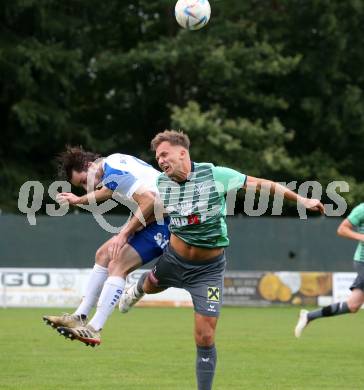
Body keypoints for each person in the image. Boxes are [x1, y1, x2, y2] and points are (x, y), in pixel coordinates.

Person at [119, 130, 325, 390]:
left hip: (208, 271)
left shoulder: (215, 175)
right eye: (157, 156)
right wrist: (126, 232)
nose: (160, 160)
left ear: (182, 152)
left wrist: (302, 200)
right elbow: (150, 210)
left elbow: (263, 185)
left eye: (164, 154)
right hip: (173, 259)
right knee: (150, 284)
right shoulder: (161, 183)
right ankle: (136, 289)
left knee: (205, 336)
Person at [43, 146, 170, 346]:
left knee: (117, 265)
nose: (86, 187)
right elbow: (107, 192)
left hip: (166, 222)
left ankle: (94, 329)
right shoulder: (112, 163)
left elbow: (150, 200)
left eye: (84, 181)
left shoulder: (114, 171)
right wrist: (79, 200)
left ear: (89, 166)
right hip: (152, 218)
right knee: (103, 254)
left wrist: (124, 234)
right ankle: (80, 316)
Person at [294, 203, 364, 338]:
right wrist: (361, 237)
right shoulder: (362, 209)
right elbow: (342, 229)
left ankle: (309, 316)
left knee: (353, 305)